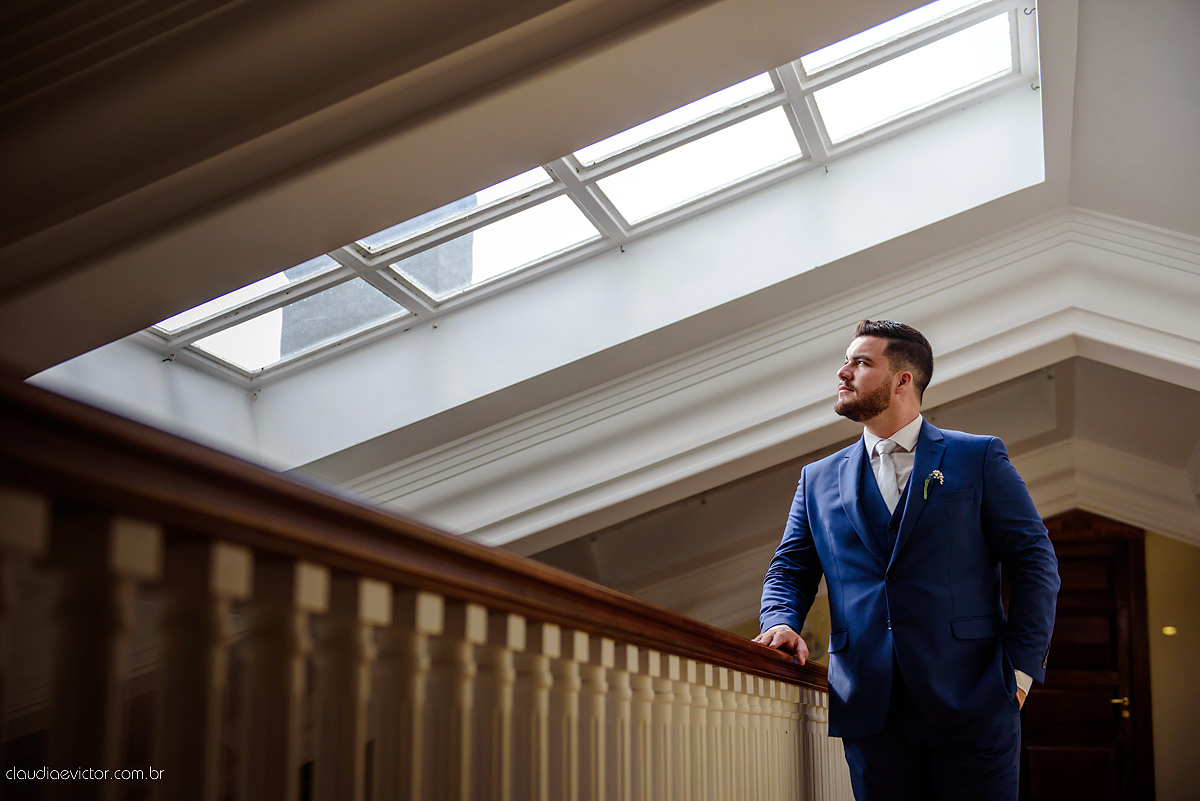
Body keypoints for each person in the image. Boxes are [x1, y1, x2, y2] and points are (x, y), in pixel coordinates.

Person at [755, 319, 1059, 801]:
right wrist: (780, 619)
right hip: (869, 709)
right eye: (846, 361)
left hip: (975, 700)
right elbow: (790, 568)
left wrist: (1020, 672)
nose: (843, 372)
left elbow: (1034, 559)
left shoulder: (977, 457)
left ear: (903, 380)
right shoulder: (817, 478)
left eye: (860, 362)